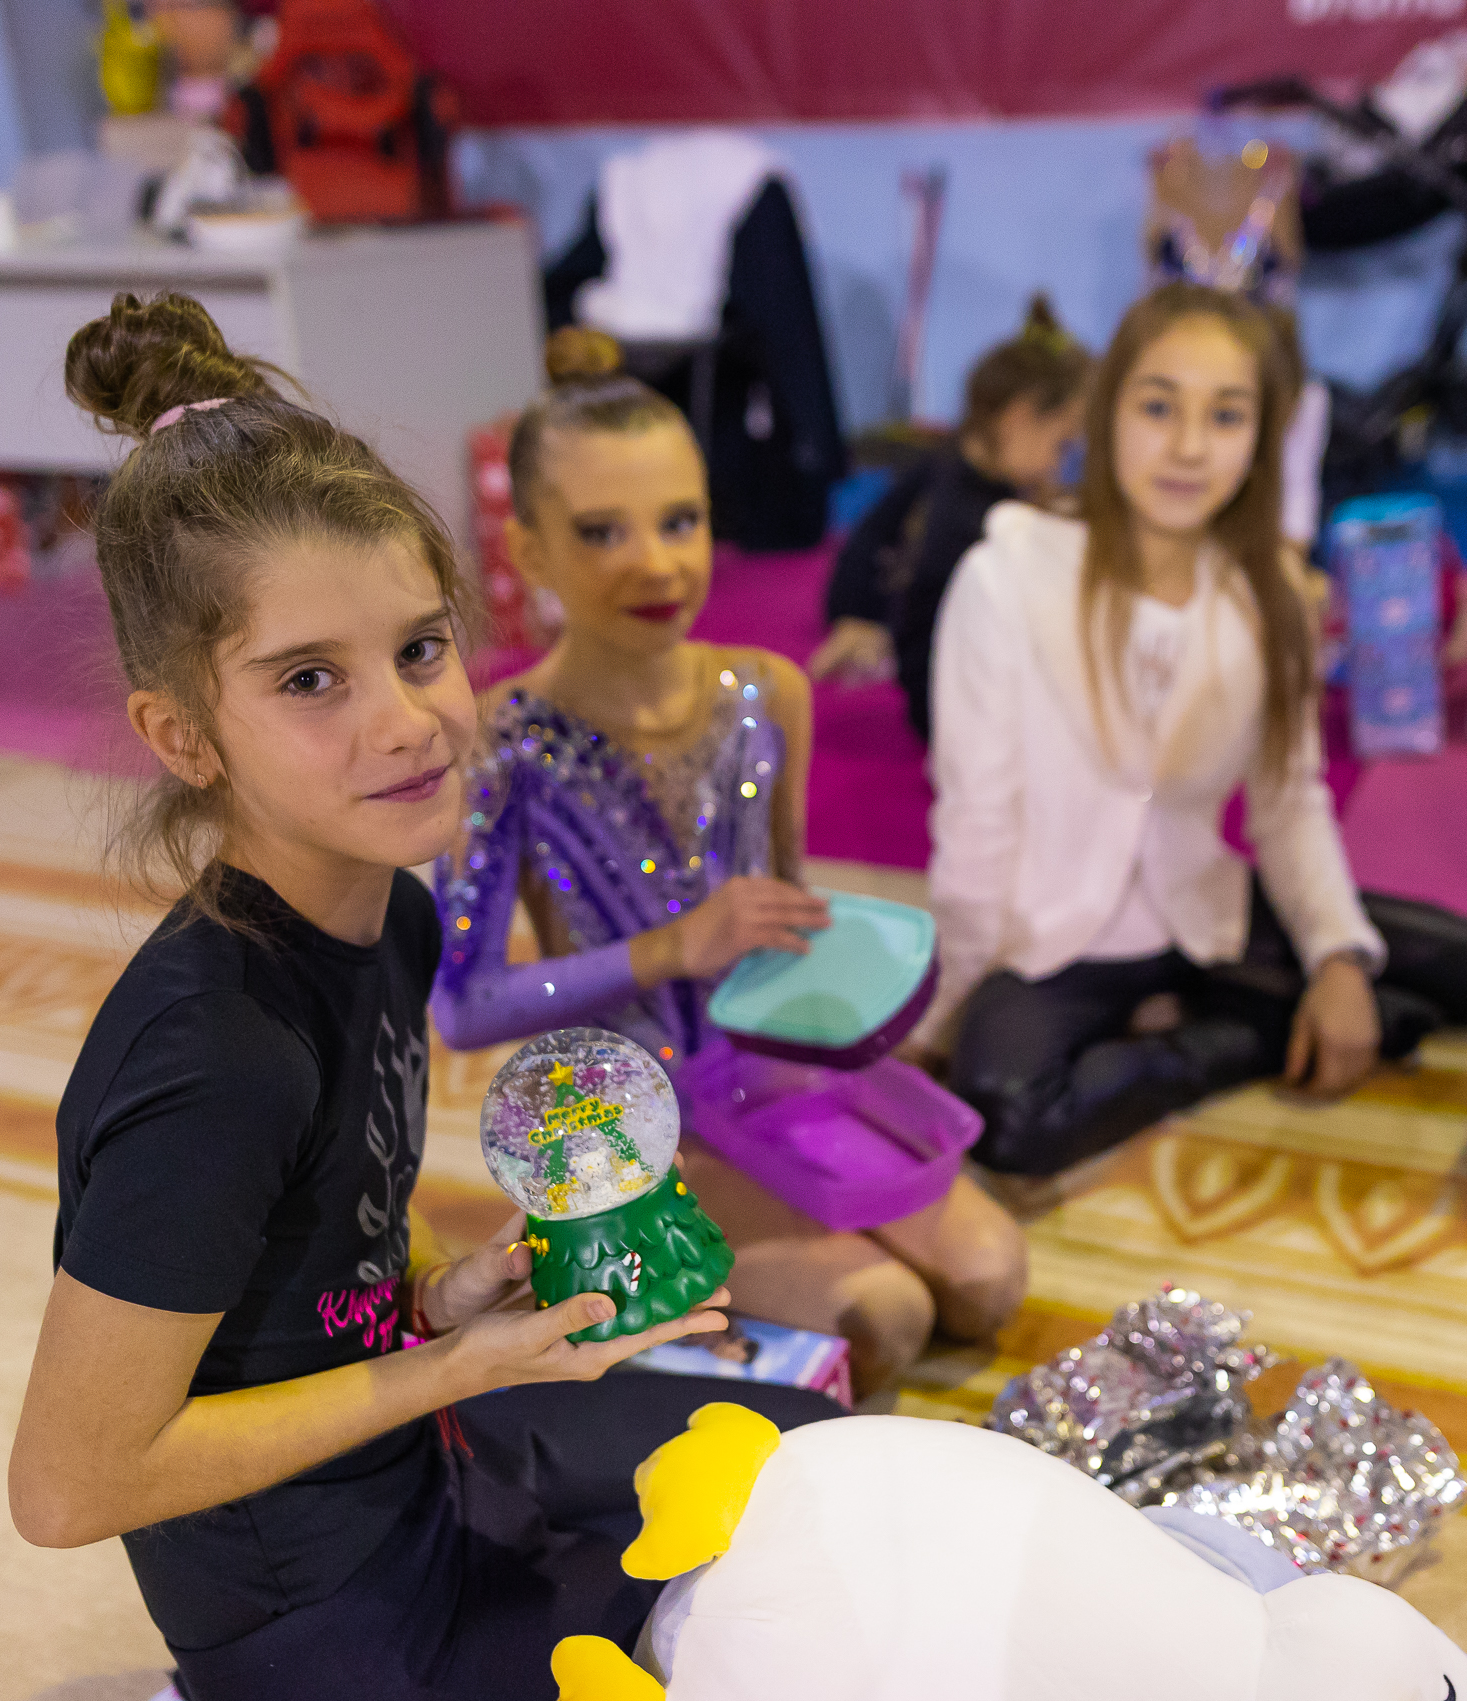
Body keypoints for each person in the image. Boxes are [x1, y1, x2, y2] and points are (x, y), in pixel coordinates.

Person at [10, 292, 841, 1701]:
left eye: (418, 647)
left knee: (802, 1461)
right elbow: (65, 1483)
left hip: (421, 1482)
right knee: (779, 1652)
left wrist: (442, 1301)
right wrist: (450, 1368)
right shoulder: (211, 1059)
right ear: (182, 734)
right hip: (332, 1638)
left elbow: (316, 1271)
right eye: (307, 680)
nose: (407, 722)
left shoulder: (387, 911)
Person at [435, 332, 1027, 1396]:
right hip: (626, 1117)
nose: (656, 563)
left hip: (770, 1077)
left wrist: (870, 989)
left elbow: (788, 915)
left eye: (680, 521)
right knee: (887, 1315)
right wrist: (670, 949)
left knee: (991, 1277)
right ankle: (633, 1272)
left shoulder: (767, 693)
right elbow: (466, 1008)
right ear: (529, 551)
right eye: (602, 531)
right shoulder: (498, 742)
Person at [925, 282, 1467, 1180]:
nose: (1189, 447)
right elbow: (975, 814)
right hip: (1050, 939)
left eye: (1227, 415)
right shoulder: (1006, 575)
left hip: (1204, 912)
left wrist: (1336, 959)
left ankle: (1237, 1002)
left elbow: (1289, 804)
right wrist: (951, 1004)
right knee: (1009, 1114)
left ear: (1262, 438)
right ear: (1107, 411)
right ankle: (1239, 1036)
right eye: (1158, 406)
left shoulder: (1267, 595)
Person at [811, 295, 1091, 739]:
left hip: (934, 685)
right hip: (953, 707)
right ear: (1018, 419)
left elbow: (869, 538)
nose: (1056, 469)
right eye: (1061, 447)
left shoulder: (953, 462)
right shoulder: (978, 520)